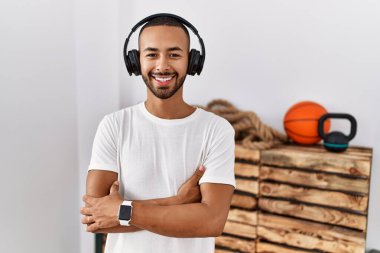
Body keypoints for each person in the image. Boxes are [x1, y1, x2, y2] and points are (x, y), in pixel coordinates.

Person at [80, 13, 236, 253]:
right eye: (152, 54)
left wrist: (121, 210)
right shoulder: (114, 125)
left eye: (174, 54)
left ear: (193, 62)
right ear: (135, 61)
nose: (162, 65)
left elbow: (212, 221)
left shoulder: (216, 130)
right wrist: (178, 202)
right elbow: (96, 218)